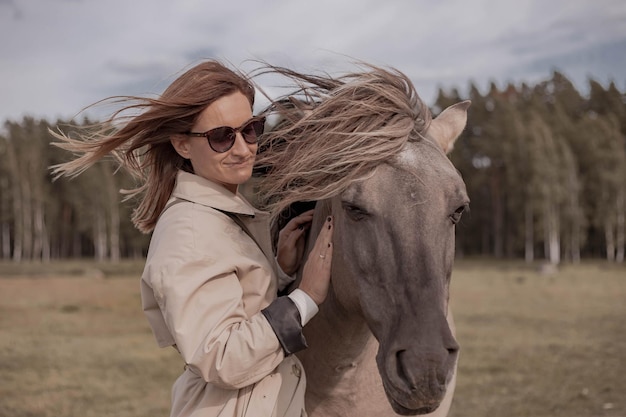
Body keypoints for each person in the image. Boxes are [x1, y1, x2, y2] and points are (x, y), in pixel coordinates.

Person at [51, 60, 334, 417]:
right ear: (182, 145)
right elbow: (223, 358)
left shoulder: (219, 216)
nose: (244, 148)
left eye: (251, 129)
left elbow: (234, 306)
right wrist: (305, 298)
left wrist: (279, 271)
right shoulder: (189, 231)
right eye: (221, 136)